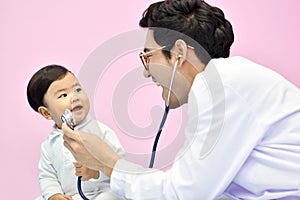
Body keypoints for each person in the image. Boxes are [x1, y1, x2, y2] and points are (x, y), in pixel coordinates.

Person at [62, 0, 300, 199]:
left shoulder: (221, 85)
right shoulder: (226, 83)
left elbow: (182, 195)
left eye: (147, 56)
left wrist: (109, 162)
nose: (146, 71)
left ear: (178, 53)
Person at [27, 65, 125, 200]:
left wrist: (95, 172)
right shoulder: (49, 145)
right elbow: (47, 176)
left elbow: (120, 167)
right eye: (63, 95)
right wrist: (54, 195)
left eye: (77, 90)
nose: (75, 97)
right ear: (46, 113)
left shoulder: (101, 131)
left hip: (102, 191)